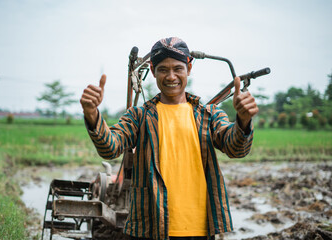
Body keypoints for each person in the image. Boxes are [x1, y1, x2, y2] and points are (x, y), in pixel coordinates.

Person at [80, 37, 258, 240]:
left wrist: (243, 120)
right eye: (163, 69)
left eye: (177, 68)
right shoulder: (139, 116)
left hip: (200, 229)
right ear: (153, 70)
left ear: (189, 68)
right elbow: (110, 147)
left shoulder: (209, 115)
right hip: (150, 228)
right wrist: (92, 114)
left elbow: (236, 149)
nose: (171, 76)